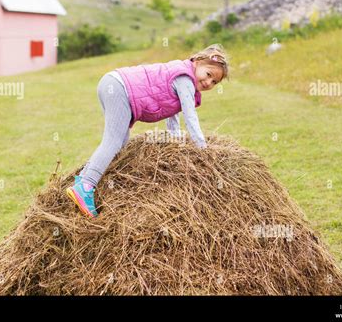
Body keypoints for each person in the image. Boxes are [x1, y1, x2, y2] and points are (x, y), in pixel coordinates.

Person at [66, 43, 229, 217]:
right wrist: (202, 150)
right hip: (119, 87)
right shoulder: (185, 79)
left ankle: (83, 178)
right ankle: (86, 187)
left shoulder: (183, 74)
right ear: (197, 61)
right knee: (113, 141)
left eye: (214, 82)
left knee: (119, 142)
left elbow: (172, 112)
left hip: (113, 83)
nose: (208, 82)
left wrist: (176, 143)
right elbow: (190, 117)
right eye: (208, 74)